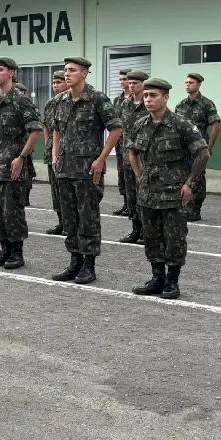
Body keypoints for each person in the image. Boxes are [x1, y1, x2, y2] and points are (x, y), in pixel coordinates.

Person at [129, 78, 210, 299]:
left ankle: (172, 282)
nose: (147, 99)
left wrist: (189, 183)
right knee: (152, 237)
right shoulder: (140, 125)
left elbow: (203, 153)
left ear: (165, 97)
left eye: (153, 95)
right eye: (145, 95)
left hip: (173, 193)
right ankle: (157, 278)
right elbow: (132, 151)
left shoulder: (181, 124)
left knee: (174, 238)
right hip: (148, 192)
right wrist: (139, 176)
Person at [51, 56, 122, 285]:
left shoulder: (97, 99)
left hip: (87, 170)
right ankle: (74, 261)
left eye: (71, 70)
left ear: (84, 73)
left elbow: (116, 128)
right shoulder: (61, 100)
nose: (67, 74)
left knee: (88, 218)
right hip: (65, 169)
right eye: (65, 70)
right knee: (70, 218)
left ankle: (89, 265)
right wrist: (54, 156)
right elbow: (57, 130)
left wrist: (102, 159)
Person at [0, 57, 43, 269]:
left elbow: (36, 130)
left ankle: (17, 253)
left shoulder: (21, 100)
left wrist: (21, 158)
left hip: (12, 166)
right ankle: (4, 249)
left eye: (0, 70)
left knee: (12, 211)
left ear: (12, 73)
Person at [174, 73, 220, 221]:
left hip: (198, 148)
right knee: (182, 175)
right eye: (186, 82)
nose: (187, 85)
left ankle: (195, 208)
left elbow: (215, 124)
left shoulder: (207, 104)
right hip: (182, 148)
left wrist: (209, 146)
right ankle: (184, 206)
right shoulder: (180, 105)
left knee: (198, 177)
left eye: (191, 82)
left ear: (199, 85)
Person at [118, 69, 149, 244]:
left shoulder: (149, 104)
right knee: (131, 196)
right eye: (130, 83)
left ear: (143, 84)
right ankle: (135, 229)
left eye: (135, 83)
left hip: (144, 158)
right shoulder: (125, 104)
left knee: (144, 194)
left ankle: (147, 231)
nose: (131, 85)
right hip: (127, 155)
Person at [42, 70, 68, 234]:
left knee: (66, 190)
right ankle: (61, 222)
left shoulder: (69, 102)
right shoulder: (50, 103)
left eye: (59, 82)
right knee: (55, 189)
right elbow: (45, 125)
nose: (55, 86)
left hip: (68, 152)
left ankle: (70, 223)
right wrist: (48, 144)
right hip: (53, 150)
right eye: (53, 83)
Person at [112, 68, 130, 216]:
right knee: (122, 173)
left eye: (125, 79)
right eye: (121, 80)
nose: (122, 82)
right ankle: (126, 203)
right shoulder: (117, 100)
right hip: (120, 143)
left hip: (131, 143)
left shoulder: (140, 99)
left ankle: (133, 205)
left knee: (132, 175)